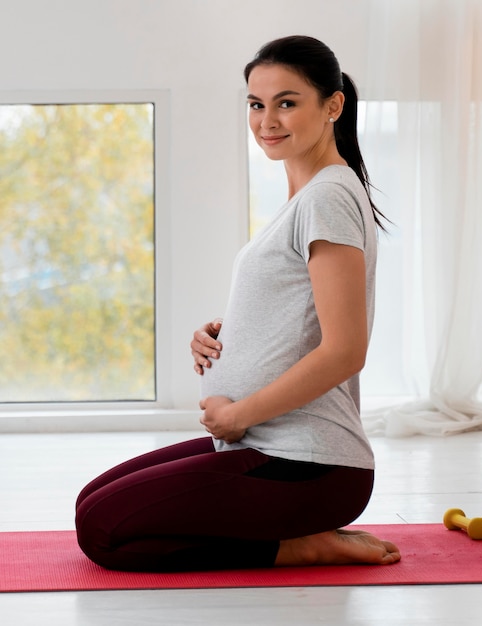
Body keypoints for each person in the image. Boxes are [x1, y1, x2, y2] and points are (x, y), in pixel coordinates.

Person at [75, 35, 400, 572]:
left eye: (287, 102)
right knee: (93, 501)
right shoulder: (309, 196)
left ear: (333, 106)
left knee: (103, 531)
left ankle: (298, 545)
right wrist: (231, 330)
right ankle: (295, 532)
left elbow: (345, 350)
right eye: (256, 104)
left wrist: (237, 415)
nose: (267, 120)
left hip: (307, 461)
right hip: (268, 442)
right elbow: (305, 311)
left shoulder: (327, 197)